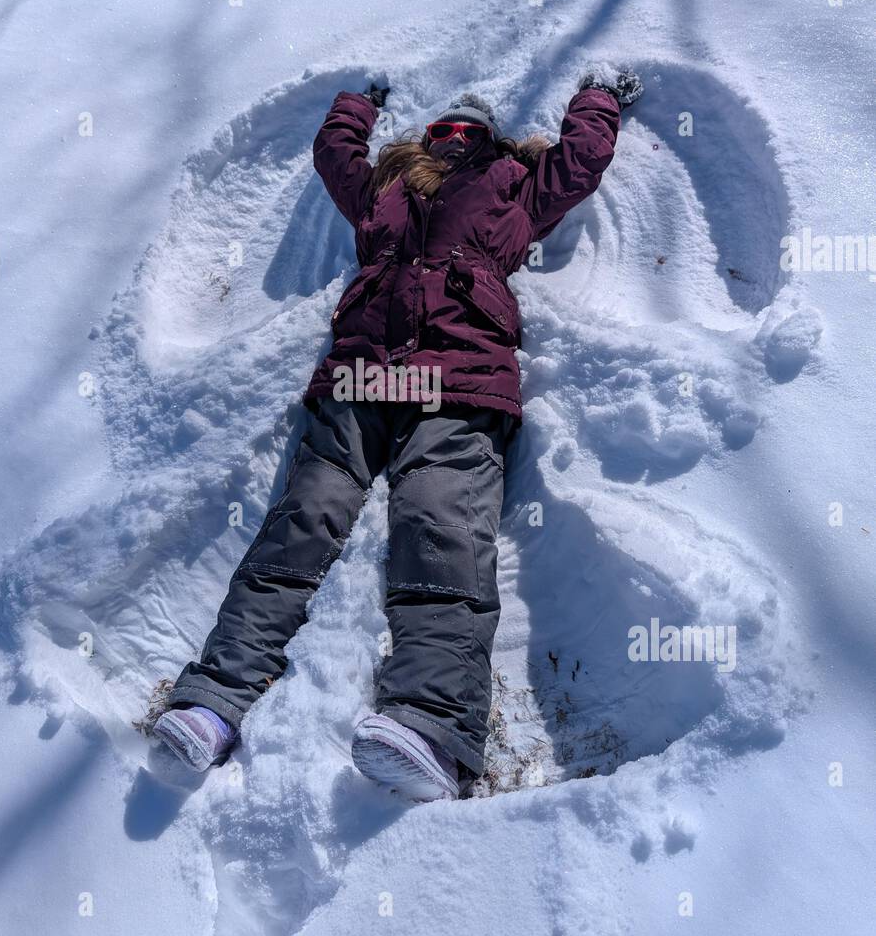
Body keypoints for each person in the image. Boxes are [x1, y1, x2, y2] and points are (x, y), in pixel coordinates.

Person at [154, 67, 643, 800]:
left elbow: (577, 163)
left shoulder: (513, 183)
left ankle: (429, 723)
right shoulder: (388, 186)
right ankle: (212, 700)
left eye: (467, 132)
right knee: (300, 522)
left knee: (441, 524)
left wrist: (597, 99)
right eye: (441, 130)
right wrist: (357, 105)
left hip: (460, 377)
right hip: (360, 378)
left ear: (491, 140)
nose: (451, 141)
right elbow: (333, 156)